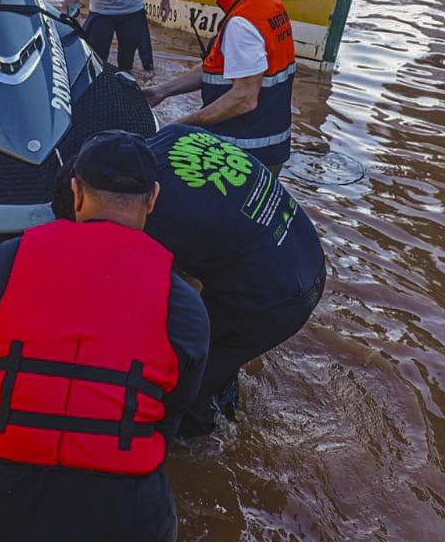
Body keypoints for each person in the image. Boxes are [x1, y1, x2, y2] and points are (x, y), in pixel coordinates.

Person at [0, 131, 208, 542]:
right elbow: (166, 425)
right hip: (120, 528)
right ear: (153, 201)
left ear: (75, 194)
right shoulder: (183, 303)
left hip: (2, 516)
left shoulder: (3, 263)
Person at [52, 123, 324, 436]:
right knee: (217, 348)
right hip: (304, 247)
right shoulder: (171, 135)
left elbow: (150, 307)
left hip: (280, 294)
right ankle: (224, 400)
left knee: (190, 376)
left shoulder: (153, 224)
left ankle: (205, 453)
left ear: (80, 197)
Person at [145, 0, 295, 169]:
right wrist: (163, 90)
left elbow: (245, 98)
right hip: (272, 149)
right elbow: (217, 69)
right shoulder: (273, 6)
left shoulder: (243, 21)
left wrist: (182, 125)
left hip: (244, 156)